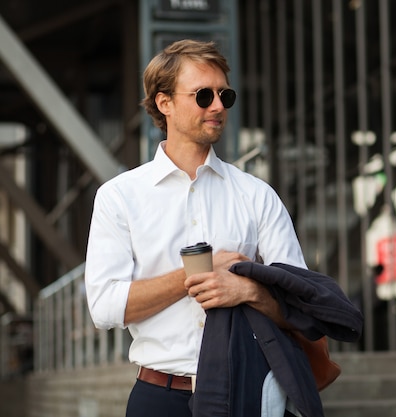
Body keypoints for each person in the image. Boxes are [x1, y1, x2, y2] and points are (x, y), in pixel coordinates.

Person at [84, 39, 307, 417]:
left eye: (225, 95)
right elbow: (105, 307)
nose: (218, 106)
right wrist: (198, 274)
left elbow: (302, 306)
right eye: (204, 95)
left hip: (246, 392)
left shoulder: (257, 195)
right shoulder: (119, 197)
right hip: (159, 397)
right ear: (164, 103)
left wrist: (248, 290)